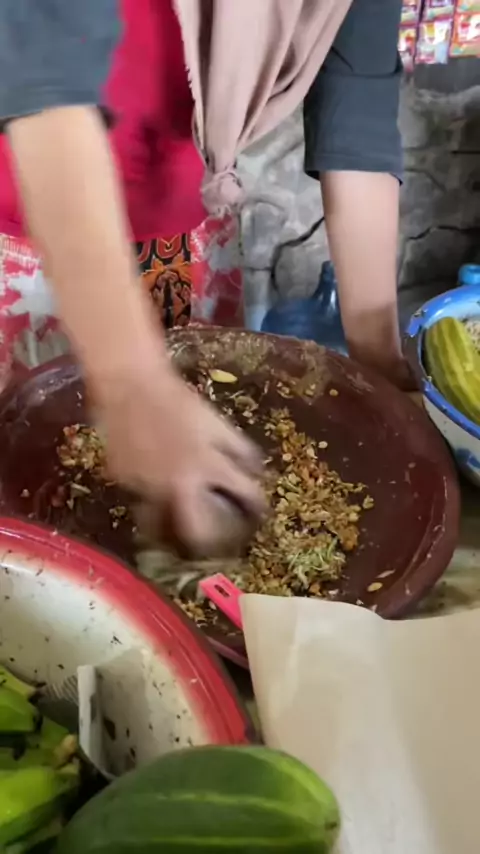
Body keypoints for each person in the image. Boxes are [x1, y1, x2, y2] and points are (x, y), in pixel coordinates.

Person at [0, 0, 405, 555]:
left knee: (208, 427)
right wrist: (132, 383)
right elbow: (41, 68)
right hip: (36, 214)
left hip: (191, 233)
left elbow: (358, 98)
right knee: (29, 487)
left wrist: (381, 364)